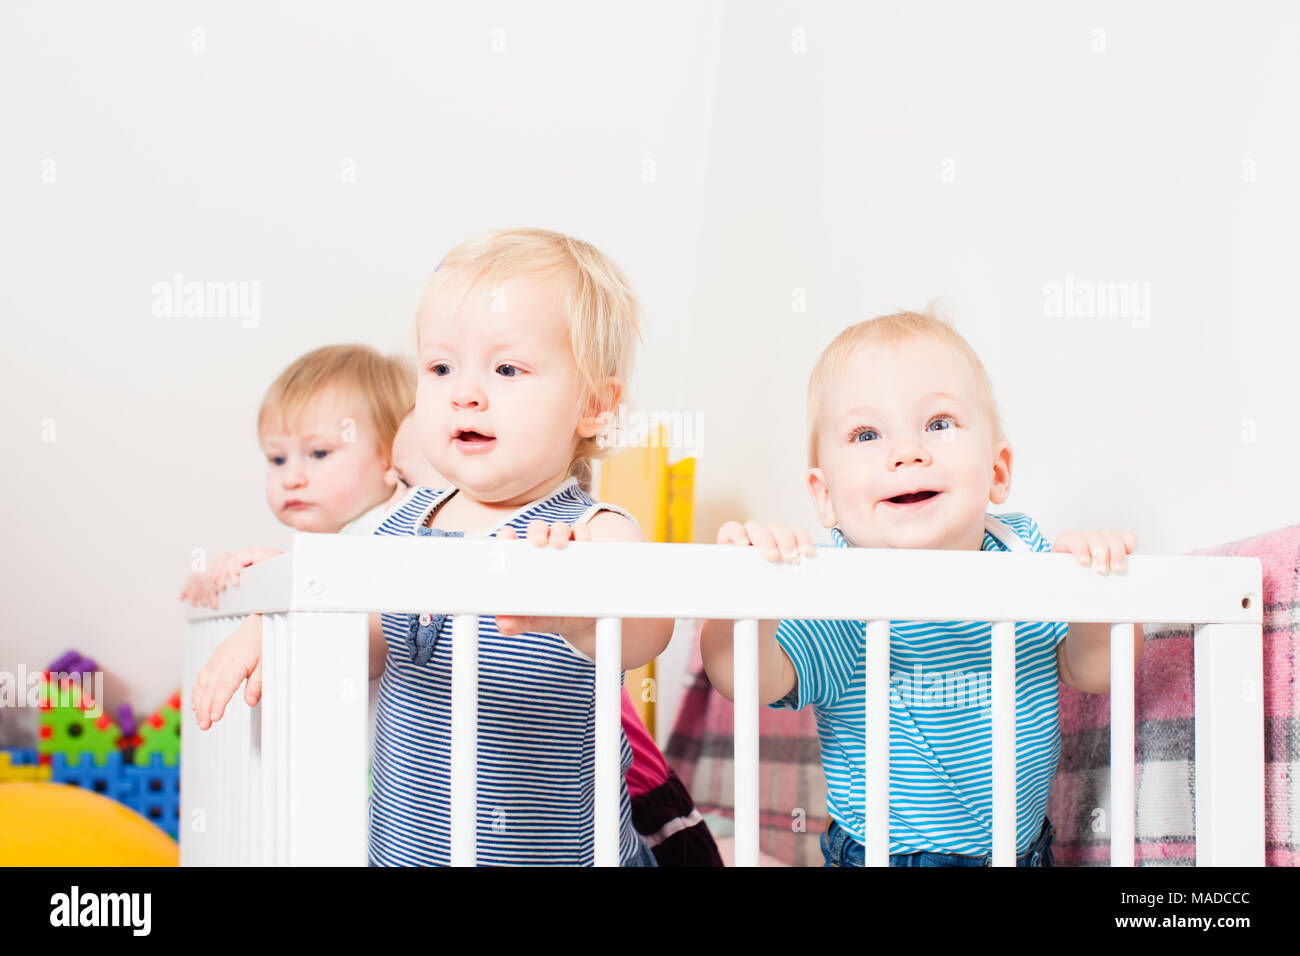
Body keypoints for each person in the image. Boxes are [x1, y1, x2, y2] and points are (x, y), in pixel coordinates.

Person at [699, 309, 1144, 867]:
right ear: (825, 496)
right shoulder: (836, 588)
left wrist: (1095, 591)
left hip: (1025, 852)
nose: (907, 453)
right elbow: (745, 676)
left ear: (998, 471)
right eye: (866, 434)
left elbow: (1095, 670)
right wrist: (750, 594)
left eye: (938, 423)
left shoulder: (1025, 555)